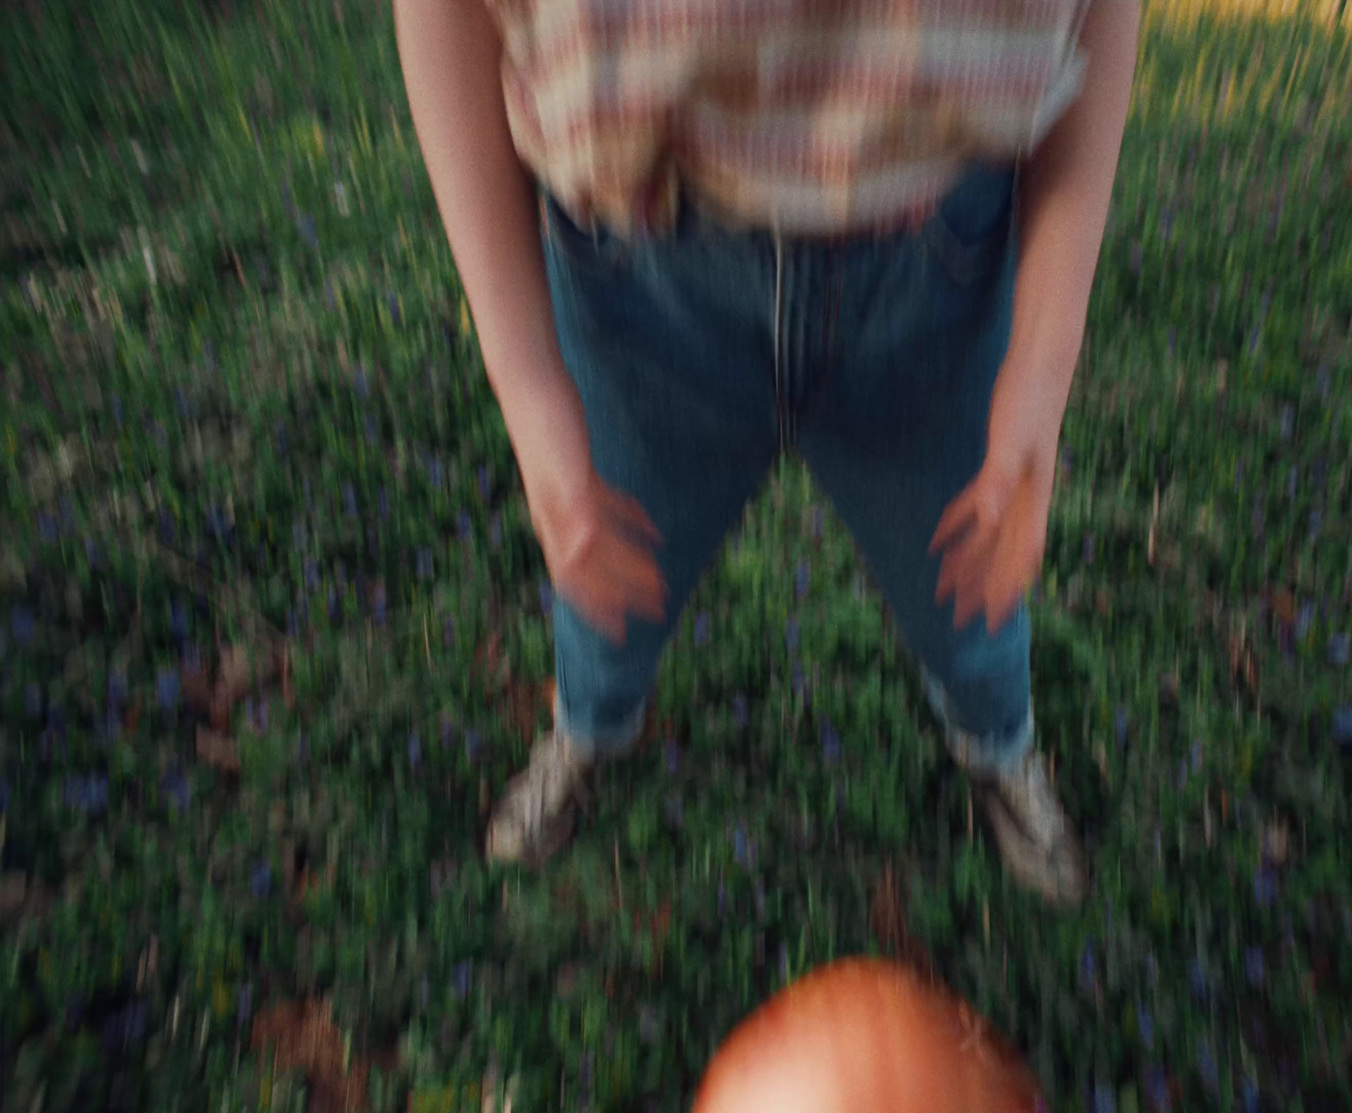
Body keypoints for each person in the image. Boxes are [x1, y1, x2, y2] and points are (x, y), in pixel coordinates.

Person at [394, 0, 1140, 906]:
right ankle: (590, 726)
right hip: (641, 278)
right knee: (608, 580)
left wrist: (1040, 364)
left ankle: (1000, 746)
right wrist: (527, 379)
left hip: (931, 267)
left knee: (972, 587)